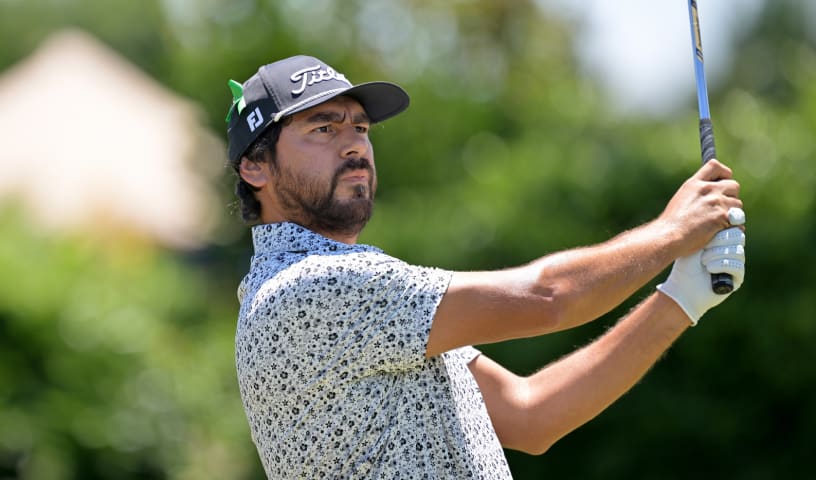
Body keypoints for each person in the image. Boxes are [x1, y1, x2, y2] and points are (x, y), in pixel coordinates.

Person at [225, 55, 746, 479]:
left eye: (360, 126)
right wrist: (674, 230)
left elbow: (530, 414)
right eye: (323, 127)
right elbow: (550, 297)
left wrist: (682, 299)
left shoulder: (351, 296)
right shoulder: (309, 289)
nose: (355, 143)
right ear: (255, 166)